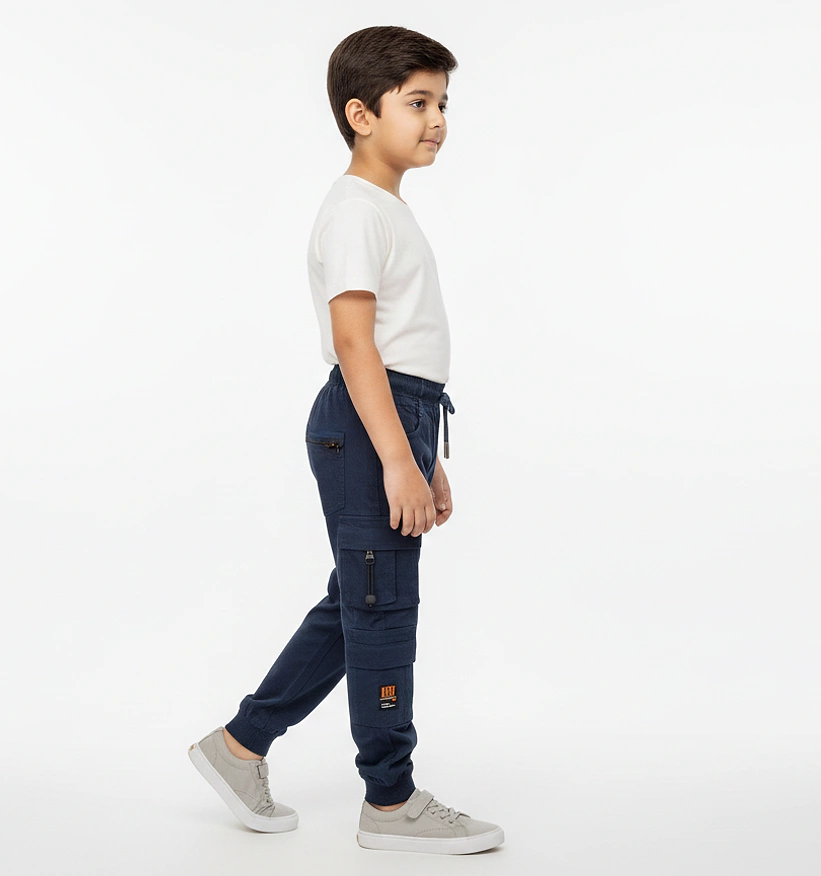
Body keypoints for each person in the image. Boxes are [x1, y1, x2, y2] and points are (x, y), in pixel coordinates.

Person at [188, 25, 504, 856]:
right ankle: (390, 802)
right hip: (370, 421)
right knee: (382, 608)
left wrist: (424, 458)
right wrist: (397, 455)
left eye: (443, 104)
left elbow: (402, 347)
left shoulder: (383, 208)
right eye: (418, 103)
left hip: (395, 417)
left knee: (358, 602)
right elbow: (356, 344)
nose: (438, 120)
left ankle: (238, 747)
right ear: (361, 115)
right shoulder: (356, 211)